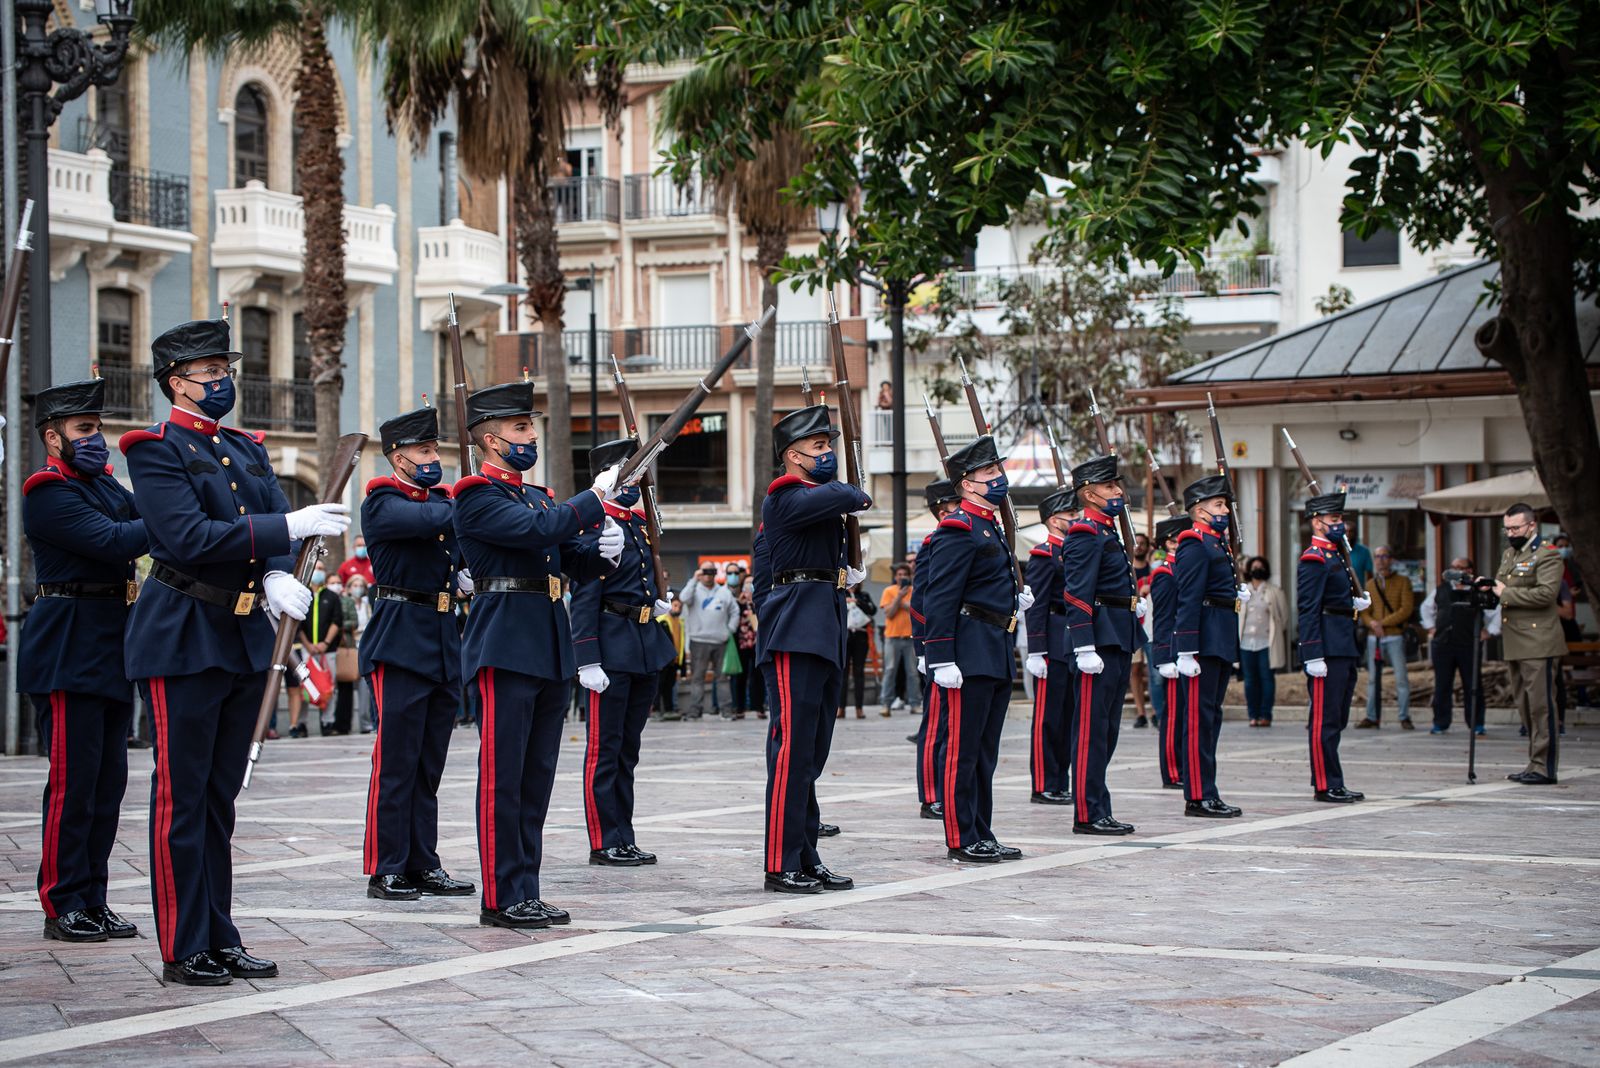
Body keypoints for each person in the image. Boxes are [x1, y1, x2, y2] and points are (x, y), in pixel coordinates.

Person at [121, 318, 350, 984]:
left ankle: (219, 933)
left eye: (227, 371)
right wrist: (288, 528)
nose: (223, 383)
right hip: (184, 635)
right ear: (177, 383)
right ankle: (184, 943)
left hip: (244, 636)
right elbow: (188, 536)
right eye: (209, 374)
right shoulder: (154, 450)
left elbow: (269, 522)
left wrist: (280, 569)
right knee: (183, 799)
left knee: (220, 800)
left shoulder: (247, 450)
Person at [451, 380, 625, 928]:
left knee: (536, 777)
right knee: (503, 777)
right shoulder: (475, 495)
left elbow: (565, 554)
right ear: (490, 439)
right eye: (521, 428)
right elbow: (537, 531)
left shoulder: (536, 495)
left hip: (546, 645)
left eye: (530, 426)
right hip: (504, 643)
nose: (531, 435)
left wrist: (602, 551)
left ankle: (527, 885)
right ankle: (501, 896)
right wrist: (591, 501)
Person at [21, 378, 149, 943]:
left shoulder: (107, 486)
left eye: (98, 428)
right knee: (73, 785)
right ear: (54, 438)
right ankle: (61, 901)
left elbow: (138, 518)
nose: (97, 439)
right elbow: (119, 540)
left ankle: (92, 897)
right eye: (85, 430)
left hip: (111, 646)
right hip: (69, 646)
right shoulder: (48, 492)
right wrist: (177, 518)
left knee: (107, 784)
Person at [359, 405, 476, 902]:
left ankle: (422, 862)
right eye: (423, 451)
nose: (433, 459)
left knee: (428, 765)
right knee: (396, 762)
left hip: (442, 637)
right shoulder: (383, 501)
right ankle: (386, 867)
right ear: (397, 457)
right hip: (401, 638)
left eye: (435, 450)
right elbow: (432, 519)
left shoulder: (441, 502)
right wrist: (476, 498)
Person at [754, 402, 870, 893]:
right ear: (793, 456)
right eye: (820, 447)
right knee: (791, 751)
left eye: (829, 446)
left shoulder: (819, 498)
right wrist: (846, 484)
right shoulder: (785, 496)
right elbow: (854, 495)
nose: (828, 455)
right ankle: (781, 862)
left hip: (822, 625)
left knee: (812, 752)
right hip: (795, 631)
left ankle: (805, 855)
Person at [922, 434, 1031, 862]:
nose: (998, 478)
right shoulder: (958, 527)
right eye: (990, 473)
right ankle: (960, 836)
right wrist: (941, 656)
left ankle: (982, 829)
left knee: (985, 753)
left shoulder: (989, 525)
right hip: (969, 651)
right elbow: (940, 597)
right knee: (963, 751)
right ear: (967, 483)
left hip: (995, 647)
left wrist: (1012, 599)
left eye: (997, 471)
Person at [570, 438, 676, 868]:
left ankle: (624, 834)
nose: (634, 482)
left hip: (642, 645)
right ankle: (603, 840)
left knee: (627, 750)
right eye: (627, 474)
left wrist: (658, 599)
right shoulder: (596, 527)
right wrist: (587, 658)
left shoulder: (636, 524)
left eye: (638, 474)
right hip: (611, 648)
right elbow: (584, 596)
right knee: (604, 749)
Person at [1061, 454, 1139, 836]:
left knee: (1106, 730)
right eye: (1110, 486)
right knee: (1092, 730)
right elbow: (1077, 593)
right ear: (1089, 493)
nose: (1118, 491)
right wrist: (1083, 645)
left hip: (1118, 634)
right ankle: (1088, 812)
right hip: (1099, 639)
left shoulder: (1107, 531)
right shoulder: (1085, 532)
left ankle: (1099, 806)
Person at [1171, 475, 1247, 819]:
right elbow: (1187, 599)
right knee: (1198, 720)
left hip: (1219, 638)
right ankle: (1198, 795)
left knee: (1211, 718)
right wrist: (1186, 649)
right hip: (1202, 640)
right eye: (1218, 505)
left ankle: (1209, 790)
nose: (1224, 511)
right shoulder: (1194, 542)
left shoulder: (1217, 543)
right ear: (1199, 511)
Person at [1296, 490, 1370, 803]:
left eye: (1341, 519)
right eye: (1334, 519)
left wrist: (1351, 603)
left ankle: (1334, 779)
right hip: (1327, 646)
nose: (1340, 524)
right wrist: (1312, 652)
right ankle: (1325, 783)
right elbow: (1308, 608)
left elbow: (1332, 599)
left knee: (1337, 717)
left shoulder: (1337, 554)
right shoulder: (1314, 559)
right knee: (1324, 719)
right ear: (1317, 522)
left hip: (1344, 642)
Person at [1494, 503, 1564, 784]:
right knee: (1524, 705)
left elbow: (1546, 594)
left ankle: (1544, 767)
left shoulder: (1547, 555)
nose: (1510, 533)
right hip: (1515, 641)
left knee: (1541, 707)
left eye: (1515, 528)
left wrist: (1506, 592)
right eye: (1507, 528)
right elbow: (1499, 587)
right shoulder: (1511, 553)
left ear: (1532, 526)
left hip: (1539, 641)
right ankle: (1534, 762)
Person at [1023, 487, 1078, 807]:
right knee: (1049, 718)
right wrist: (1036, 650)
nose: (1076, 520)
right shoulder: (1044, 554)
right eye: (1071, 516)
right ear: (1054, 521)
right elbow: (1038, 605)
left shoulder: (1074, 550)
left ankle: (1061, 780)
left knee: (1068, 716)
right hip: (1053, 640)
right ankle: (1044, 782)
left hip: (1071, 640)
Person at [912, 479, 960, 821]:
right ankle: (931, 795)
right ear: (944, 511)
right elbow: (922, 599)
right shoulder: (934, 543)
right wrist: (922, 646)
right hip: (938, 643)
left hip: (962, 638)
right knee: (936, 723)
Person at [1421, 557, 1500, 735]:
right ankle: (1440, 722)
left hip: (1468, 643)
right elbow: (1426, 609)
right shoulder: (1441, 590)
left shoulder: (1476, 590)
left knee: (1473, 684)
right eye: (1454, 567)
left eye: (1461, 568)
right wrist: (1431, 628)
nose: (1457, 571)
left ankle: (1476, 723)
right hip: (1443, 644)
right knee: (1442, 684)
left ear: (1469, 570)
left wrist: (1489, 632)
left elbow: (1496, 612)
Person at [1146, 517, 1189, 790]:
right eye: (1174, 541)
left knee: (1185, 714)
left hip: (1187, 649)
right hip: (1172, 649)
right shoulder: (1164, 573)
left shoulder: (1187, 569)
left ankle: (1184, 766)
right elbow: (1163, 619)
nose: (1178, 546)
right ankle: (1172, 770)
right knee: (1173, 715)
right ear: (1165, 545)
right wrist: (1163, 657)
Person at [1357, 545, 1415, 729]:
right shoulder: (1370, 584)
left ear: (1391, 559)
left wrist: (1383, 623)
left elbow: (1406, 609)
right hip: (1374, 637)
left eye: (1384, 556)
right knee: (1373, 678)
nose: (1381, 560)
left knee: (1401, 677)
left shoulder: (1403, 582)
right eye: (1377, 556)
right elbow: (1365, 611)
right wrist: (1372, 623)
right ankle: (1372, 716)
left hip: (1394, 635)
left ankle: (1404, 716)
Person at [679, 565, 738, 721]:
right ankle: (694, 712)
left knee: (723, 678)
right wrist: (694, 579)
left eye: (711, 571)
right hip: (698, 640)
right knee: (697, 678)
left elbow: (735, 611)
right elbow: (684, 598)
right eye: (705, 572)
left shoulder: (724, 592)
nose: (708, 575)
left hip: (721, 641)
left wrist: (729, 630)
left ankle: (726, 711)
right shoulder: (694, 589)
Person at [1239, 555, 1289, 727]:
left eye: (1261, 566)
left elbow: (1283, 617)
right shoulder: (1242, 590)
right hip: (1246, 642)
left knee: (1267, 678)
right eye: (1254, 566)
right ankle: (1253, 715)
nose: (1257, 569)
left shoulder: (1274, 591)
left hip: (1266, 642)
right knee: (1250, 680)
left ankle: (1265, 714)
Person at [293, 568, 343, 737]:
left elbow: (337, 621)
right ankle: (302, 724)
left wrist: (325, 643)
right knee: (306, 685)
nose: (319, 572)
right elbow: (297, 622)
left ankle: (327, 722)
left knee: (329, 686)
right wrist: (308, 644)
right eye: (317, 569)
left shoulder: (332, 596)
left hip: (327, 650)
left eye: (322, 569)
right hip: (307, 650)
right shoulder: (303, 593)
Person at [878, 563, 917, 716]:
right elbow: (889, 613)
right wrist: (900, 597)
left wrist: (902, 601)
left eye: (905, 575)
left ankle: (915, 703)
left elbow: (916, 610)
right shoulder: (889, 591)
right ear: (895, 577)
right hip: (892, 637)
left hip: (910, 637)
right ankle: (885, 704)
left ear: (909, 576)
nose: (902, 577)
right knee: (889, 670)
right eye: (899, 575)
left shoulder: (914, 591)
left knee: (913, 672)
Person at [1129, 533, 1153, 729]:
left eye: (1143, 544)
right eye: (1136, 543)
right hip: (1133, 624)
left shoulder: (1154, 569)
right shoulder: (1127, 570)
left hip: (1152, 624)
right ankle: (1140, 711)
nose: (1139, 547)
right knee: (1135, 668)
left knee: (1153, 669)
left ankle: (1155, 709)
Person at [842, 583, 876, 718]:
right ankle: (840, 707)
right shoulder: (840, 594)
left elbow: (872, 610)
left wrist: (858, 602)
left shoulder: (863, 595)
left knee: (859, 671)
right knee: (842, 672)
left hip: (860, 637)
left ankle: (859, 708)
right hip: (845, 636)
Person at [732, 587, 763, 718]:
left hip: (757, 644)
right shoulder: (738, 605)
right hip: (742, 645)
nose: (748, 592)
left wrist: (753, 604)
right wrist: (739, 604)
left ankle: (759, 707)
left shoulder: (759, 603)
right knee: (741, 677)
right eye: (746, 588)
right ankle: (740, 708)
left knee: (758, 677)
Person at [658, 593, 686, 719]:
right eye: (675, 606)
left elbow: (681, 642)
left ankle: (669, 710)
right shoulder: (662, 621)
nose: (677, 609)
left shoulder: (680, 622)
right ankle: (656, 709)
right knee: (660, 685)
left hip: (674, 661)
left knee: (669, 686)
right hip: (664, 661)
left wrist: (682, 664)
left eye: (679, 606)